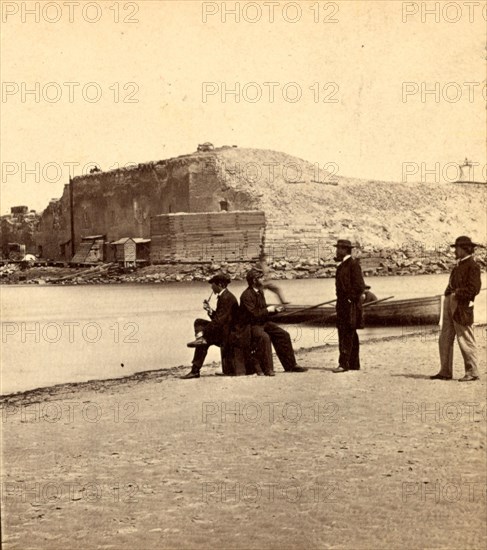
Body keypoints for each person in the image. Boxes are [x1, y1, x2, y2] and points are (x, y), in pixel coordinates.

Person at [431, 236, 482, 382]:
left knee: (465, 338)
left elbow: (474, 289)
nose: (455, 251)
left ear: (464, 249)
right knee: (445, 338)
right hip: (451, 302)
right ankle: (445, 371)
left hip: (461, 305)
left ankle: (472, 372)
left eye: (457, 248)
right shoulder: (459, 265)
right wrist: (448, 294)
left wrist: (457, 294)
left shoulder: (473, 266)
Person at [240, 268, 308, 376]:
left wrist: (275, 310)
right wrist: (268, 310)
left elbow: (262, 310)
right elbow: (253, 315)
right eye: (261, 278)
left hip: (263, 323)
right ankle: (268, 369)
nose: (264, 280)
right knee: (264, 338)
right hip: (251, 325)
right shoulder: (246, 295)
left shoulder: (259, 292)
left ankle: (291, 365)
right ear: (254, 280)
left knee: (283, 335)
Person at [181, 272, 239, 379]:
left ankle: (195, 370)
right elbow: (218, 318)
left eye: (213, 284)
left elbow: (219, 322)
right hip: (226, 331)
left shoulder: (226, 298)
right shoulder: (225, 296)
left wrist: (204, 332)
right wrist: (210, 310)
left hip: (229, 334)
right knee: (199, 324)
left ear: (220, 285)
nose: (211, 287)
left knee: (203, 338)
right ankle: (200, 341)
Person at [332, 239, 366, 373]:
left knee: (345, 332)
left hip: (348, 305)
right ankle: (353, 363)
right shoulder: (344, 265)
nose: (336, 251)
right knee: (351, 333)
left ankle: (344, 364)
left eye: (338, 249)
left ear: (344, 250)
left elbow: (359, 286)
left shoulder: (352, 265)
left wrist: (350, 300)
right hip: (344, 303)